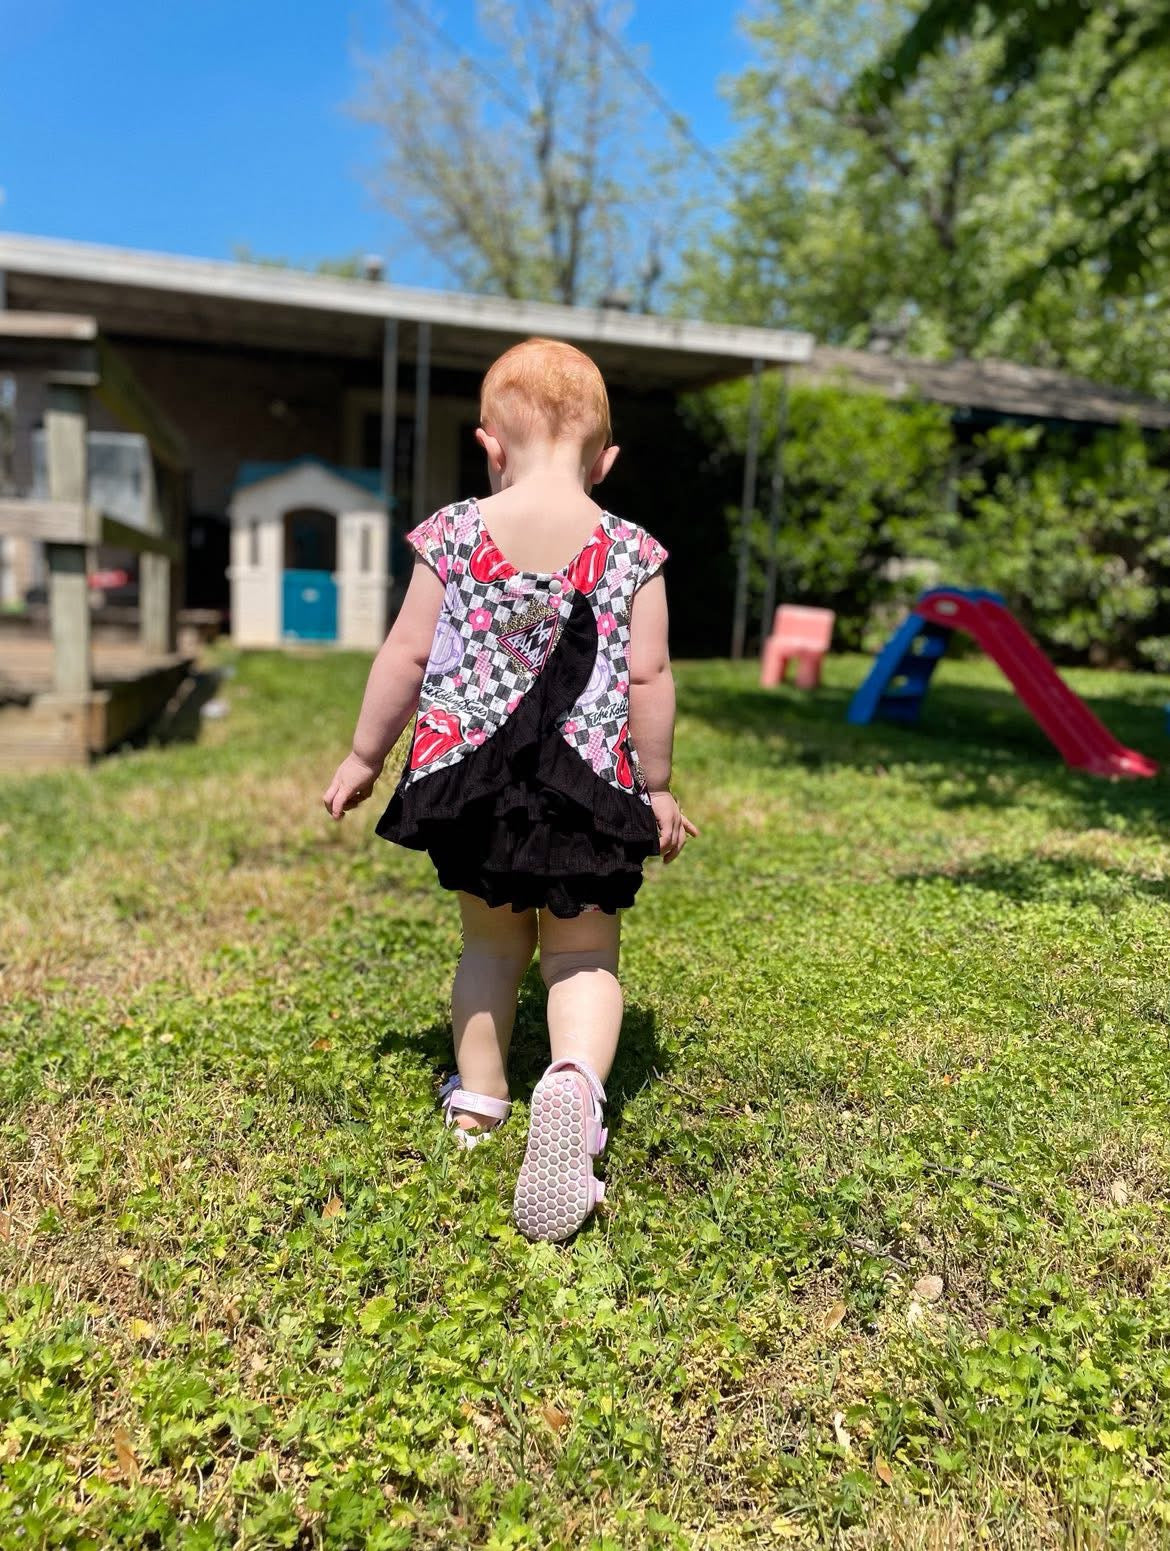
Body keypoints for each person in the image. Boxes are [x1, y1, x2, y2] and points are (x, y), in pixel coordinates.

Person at [323, 337, 696, 1241]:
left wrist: (366, 756)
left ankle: (481, 1100)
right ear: (606, 461)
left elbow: (406, 656)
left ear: (489, 445)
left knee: (489, 951)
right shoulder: (631, 549)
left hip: (473, 788)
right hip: (584, 792)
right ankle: (572, 1081)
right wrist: (655, 786)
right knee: (582, 957)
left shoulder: (451, 533)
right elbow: (648, 679)